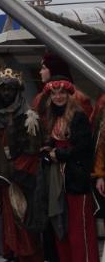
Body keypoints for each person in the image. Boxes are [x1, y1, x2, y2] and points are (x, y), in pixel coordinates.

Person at [38, 77, 97, 262]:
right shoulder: (52, 117)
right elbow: (51, 144)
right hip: (57, 180)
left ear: (69, 95)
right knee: (61, 228)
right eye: (54, 94)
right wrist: (48, 151)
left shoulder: (79, 117)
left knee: (79, 230)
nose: (58, 97)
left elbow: (84, 148)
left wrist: (59, 154)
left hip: (76, 179)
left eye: (62, 93)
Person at [0, 67, 44, 262]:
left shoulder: (29, 117)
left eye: (10, 89)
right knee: (8, 217)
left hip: (22, 177)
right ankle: (12, 252)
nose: (6, 93)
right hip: (2, 176)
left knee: (24, 216)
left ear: (17, 91)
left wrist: (13, 170)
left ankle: (28, 255)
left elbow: (33, 151)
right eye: (3, 89)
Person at [32, 50, 92, 119]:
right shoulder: (40, 97)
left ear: (54, 69)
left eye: (43, 68)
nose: (40, 72)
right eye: (53, 94)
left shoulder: (79, 98)